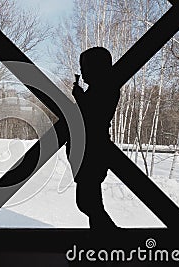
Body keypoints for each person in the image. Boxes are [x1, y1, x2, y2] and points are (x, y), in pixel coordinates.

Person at [66, 47, 120, 229]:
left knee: (88, 203)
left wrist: (79, 97)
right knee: (89, 203)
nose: (82, 71)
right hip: (87, 155)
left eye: (85, 67)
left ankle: (109, 237)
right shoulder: (101, 89)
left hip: (91, 155)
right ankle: (104, 237)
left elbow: (94, 115)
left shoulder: (105, 90)